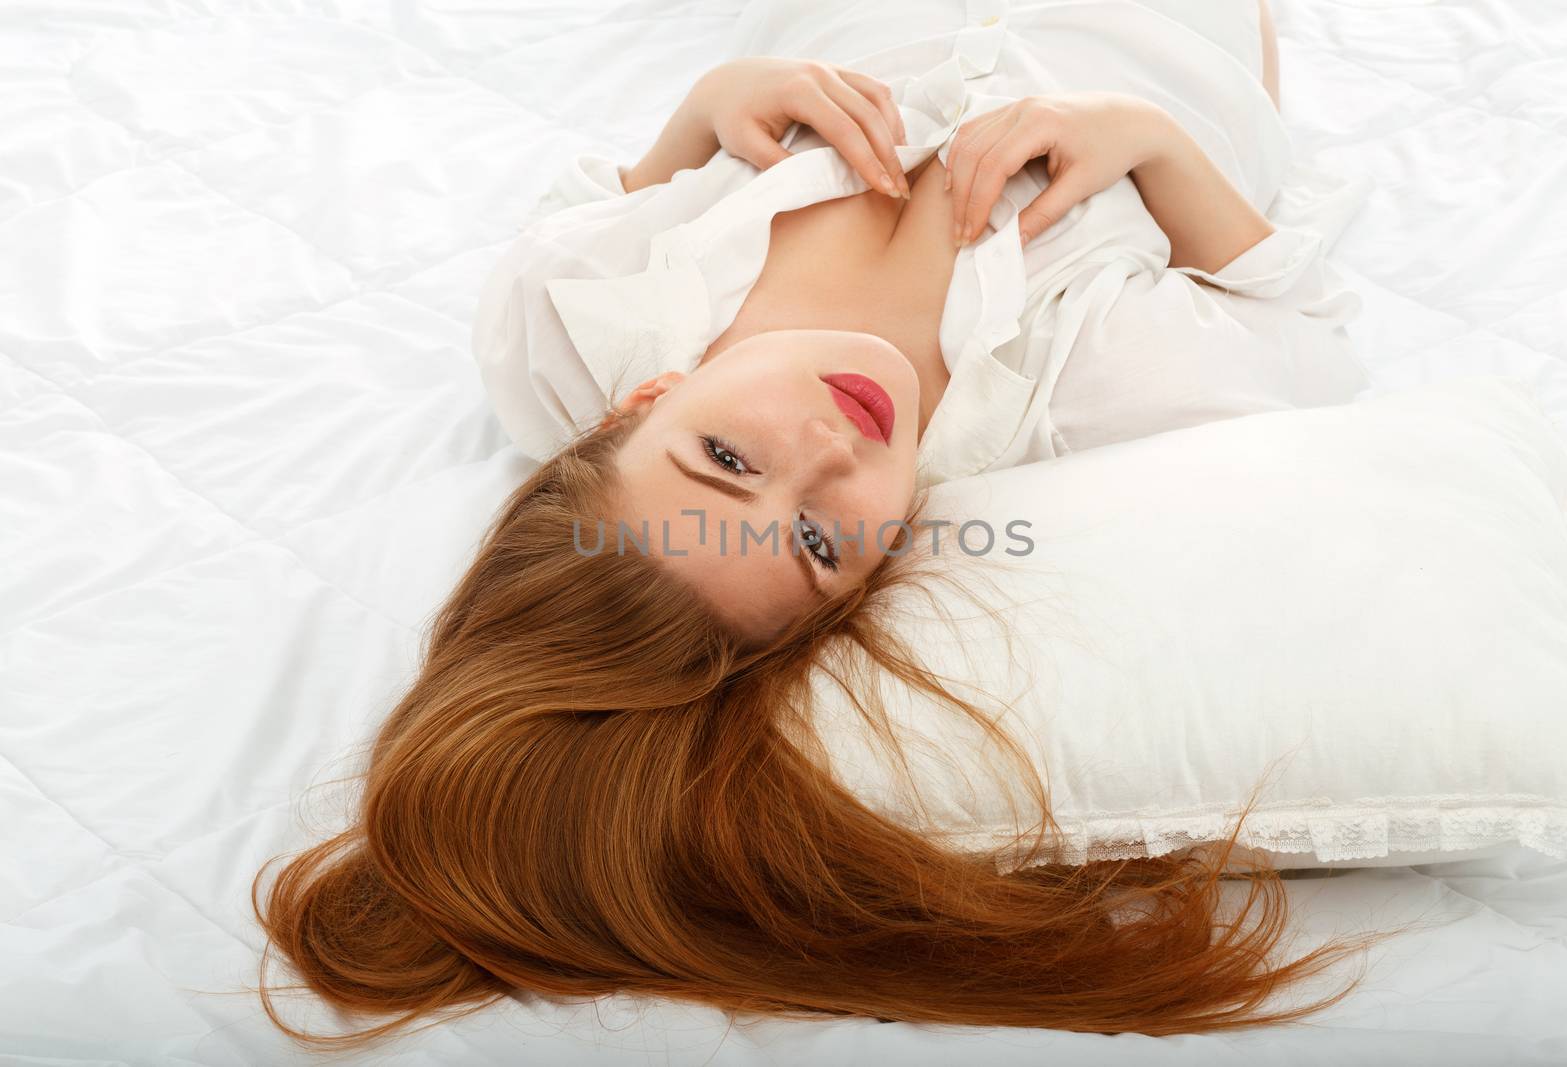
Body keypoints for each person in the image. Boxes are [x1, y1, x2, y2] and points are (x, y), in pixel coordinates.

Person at [254, 0, 1375, 1050]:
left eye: (726, 457)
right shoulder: (1091, 381)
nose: (826, 448)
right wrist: (1155, 141)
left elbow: (585, 207)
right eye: (819, 541)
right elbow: (1306, 327)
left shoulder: (561, 327)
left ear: (637, 403)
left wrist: (704, 111)